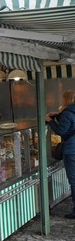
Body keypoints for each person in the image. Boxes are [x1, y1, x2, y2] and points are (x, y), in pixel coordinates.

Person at [46, 90, 75, 219]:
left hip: (71, 150)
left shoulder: (67, 113)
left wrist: (50, 121)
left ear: (67, 99)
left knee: (74, 180)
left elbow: (61, 131)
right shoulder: (67, 113)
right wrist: (58, 115)